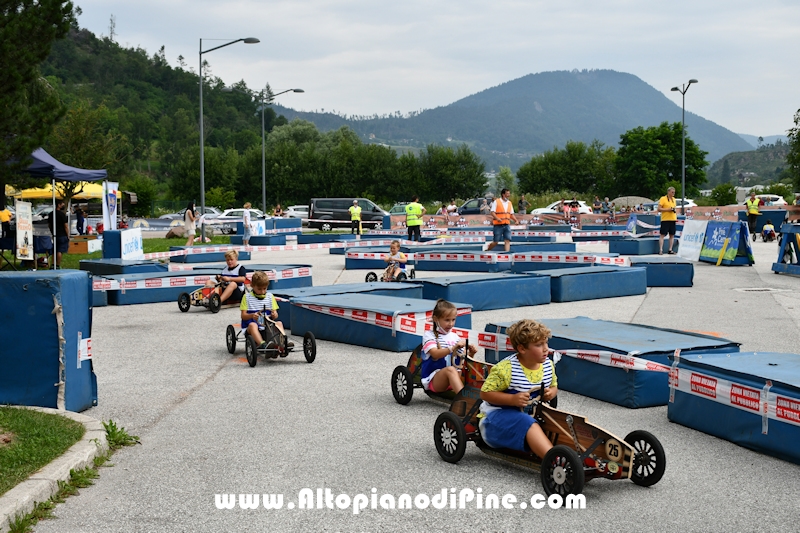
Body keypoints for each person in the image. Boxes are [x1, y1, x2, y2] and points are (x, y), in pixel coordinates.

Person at [478, 319, 557, 457]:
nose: (546, 349)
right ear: (522, 349)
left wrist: (551, 393)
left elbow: (554, 386)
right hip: (495, 418)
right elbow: (485, 394)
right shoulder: (507, 368)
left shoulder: (548, 365)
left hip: (529, 413)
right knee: (527, 422)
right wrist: (512, 399)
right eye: (539, 345)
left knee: (558, 421)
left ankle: (577, 456)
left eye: (546, 343)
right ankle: (554, 460)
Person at [421, 299, 477, 395]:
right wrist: (452, 348)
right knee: (450, 370)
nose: (450, 324)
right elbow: (435, 354)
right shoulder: (429, 335)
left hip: (455, 377)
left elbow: (461, 361)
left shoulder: (455, 337)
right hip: (435, 381)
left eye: (453, 319)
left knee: (476, 369)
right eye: (447, 320)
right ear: (435, 319)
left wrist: (471, 353)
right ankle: (464, 400)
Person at [240, 270, 293, 351]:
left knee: (279, 323)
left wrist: (274, 314)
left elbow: (275, 314)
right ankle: (262, 344)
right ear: (252, 286)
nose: (262, 291)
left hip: (267, 327)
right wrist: (252, 316)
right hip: (252, 329)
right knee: (252, 325)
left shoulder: (270, 296)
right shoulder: (246, 297)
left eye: (264, 289)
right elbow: (243, 316)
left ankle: (283, 343)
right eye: (259, 289)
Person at [487, 188, 519, 252]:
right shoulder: (497, 202)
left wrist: (516, 220)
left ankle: (507, 254)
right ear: (503, 194)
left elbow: (511, 214)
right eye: (507, 193)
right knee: (496, 241)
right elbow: (492, 212)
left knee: (507, 240)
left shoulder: (509, 203)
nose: (509, 195)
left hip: (507, 224)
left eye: (509, 193)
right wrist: (497, 218)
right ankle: (488, 250)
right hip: (498, 225)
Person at [47, 200, 70, 268]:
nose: (63, 205)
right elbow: (65, 226)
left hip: (55, 234)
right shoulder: (62, 214)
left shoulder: (51, 214)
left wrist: (52, 231)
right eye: (62, 204)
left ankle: (52, 264)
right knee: (60, 250)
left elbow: (49, 225)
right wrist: (68, 235)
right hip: (62, 235)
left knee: (55, 250)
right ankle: (57, 265)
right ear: (59, 205)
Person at [658, 186, 678, 255]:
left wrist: (673, 210)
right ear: (668, 192)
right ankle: (661, 249)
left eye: (674, 192)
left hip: (672, 219)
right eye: (672, 192)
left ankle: (670, 249)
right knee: (662, 234)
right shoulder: (663, 199)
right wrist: (668, 209)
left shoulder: (674, 199)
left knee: (672, 234)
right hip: (665, 219)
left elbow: (674, 208)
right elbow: (659, 209)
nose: (673, 194)